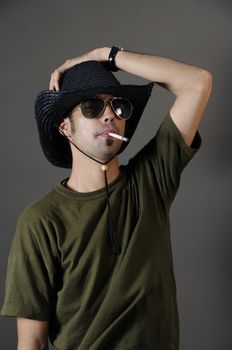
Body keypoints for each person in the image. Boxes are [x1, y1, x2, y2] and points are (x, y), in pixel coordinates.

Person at [1, 46, 212, 350]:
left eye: (119, 107)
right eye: (91, 107)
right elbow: (31, 342)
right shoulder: (40, 222)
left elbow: (197, 82)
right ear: (65, 127)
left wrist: (106, 54)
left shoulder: (151, 181)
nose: (110, 115)